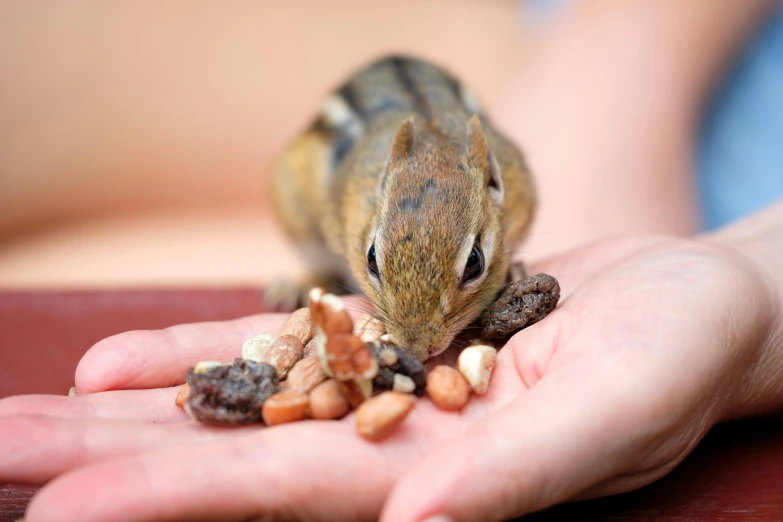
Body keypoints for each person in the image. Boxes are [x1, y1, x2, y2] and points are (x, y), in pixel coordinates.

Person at [1, 1, 782, 521]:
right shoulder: (361, 195)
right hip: (372, 168)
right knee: (298, 179)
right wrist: (344, 282)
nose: (423, 342)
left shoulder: (503, 185)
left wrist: (751, 283)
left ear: (493, 186)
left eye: (476, 266)